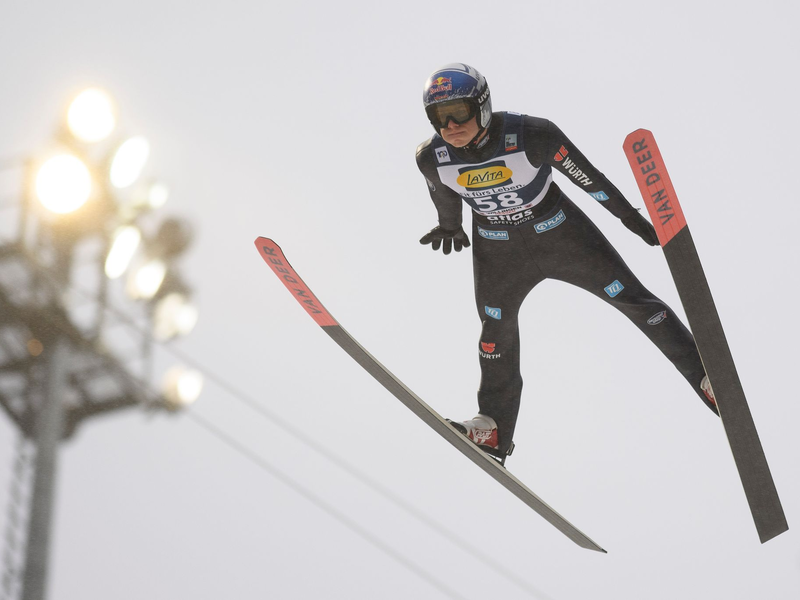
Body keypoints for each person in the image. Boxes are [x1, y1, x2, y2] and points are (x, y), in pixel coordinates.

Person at [415, 63, 718, 462]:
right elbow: (443, 193)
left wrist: (629, 218)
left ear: (483, 107)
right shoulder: (430, 157)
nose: (451, 125)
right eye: (440, 117)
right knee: (494, 332)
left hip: (560, 234)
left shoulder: (532, 134)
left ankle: (707, 378)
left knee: (633, 300)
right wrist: (449, 226)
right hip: (498, 250)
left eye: (460, 112)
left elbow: (587, 178)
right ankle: (494, 428)